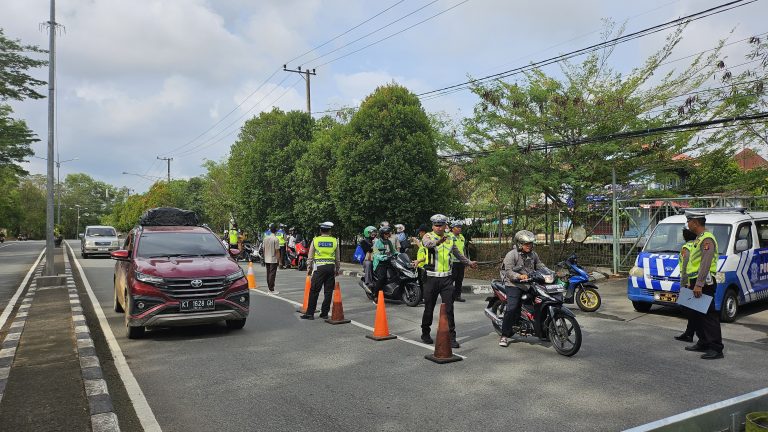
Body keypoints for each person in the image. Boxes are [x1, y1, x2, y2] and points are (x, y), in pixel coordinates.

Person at [420, 214, 477, 348]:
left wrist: (469, 263)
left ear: (446, 226)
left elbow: (458, 254)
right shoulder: (428, 236)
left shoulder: (450, 238)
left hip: (446, 279)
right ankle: (425, 333)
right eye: (436, 225)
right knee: (429, 308)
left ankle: (452, 337)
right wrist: (439, 242)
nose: (438, 228)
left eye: (441, 225)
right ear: (432, 226)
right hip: (431, 278)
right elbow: (427, 245)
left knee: (449, 309)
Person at [683, 211, 724, 360]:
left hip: (704, 282)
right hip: (696, 281)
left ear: (695, 222)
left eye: (688, 221)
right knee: (697, 313)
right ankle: (704, 342)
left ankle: (716, 348)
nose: (687, 224)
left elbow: (706, 263)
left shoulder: (707, 239)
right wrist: (692, 283)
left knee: (708, 314)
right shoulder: (698, 239)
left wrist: (699, 284)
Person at [499, 230, 551, 347]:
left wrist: (550, 272)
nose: (529, 246)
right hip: (514, 284)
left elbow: (540, 265)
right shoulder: (511, 255)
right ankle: (504, 335)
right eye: (527, 244)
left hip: (530, 283)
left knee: (542, 302)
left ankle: (542, 330)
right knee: (512, 308)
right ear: (519, 244)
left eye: (531, 243)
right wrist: (519, 276)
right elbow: (509, 272)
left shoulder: (533, 254)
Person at [301, 222, 340, 320]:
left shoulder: (316, 240)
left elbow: (310, 257)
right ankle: (324, 313)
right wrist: (337, 269)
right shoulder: (334, 241)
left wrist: (309, 269)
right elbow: (337, 258)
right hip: (330, 267)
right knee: (328, 291)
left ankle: (310, 314)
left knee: (314, 291)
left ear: (320, 230)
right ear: (330, 231)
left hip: (319, 268)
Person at [674, 227, 699, 342]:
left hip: (689, 282)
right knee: (694, 309)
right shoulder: (697, 245)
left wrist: (683, 285)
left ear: (685, 236)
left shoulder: (686, 248)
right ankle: (689, 333)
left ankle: (698, 335)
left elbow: (684, 268)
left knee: (687, 308)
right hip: (696, 280)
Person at [371, 226, 398, 302]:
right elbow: (376, 255)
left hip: (388, 262)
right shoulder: (377, 243)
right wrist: (385, 257)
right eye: (386, 233)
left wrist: (399, 254)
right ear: (382, 234)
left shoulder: (389, 242)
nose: (387, 235)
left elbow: (393, 251)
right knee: (382, 278)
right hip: (379, 263)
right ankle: (375, 295)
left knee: (396, 273)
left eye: (388, 233)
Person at [447, 221, 468, 302]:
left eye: (460, 227)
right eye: (457, 227)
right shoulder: (449, 237)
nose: (459, 229)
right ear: (452, 228)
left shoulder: (462, 237)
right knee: (451, 279)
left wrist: (466, 260)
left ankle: (457, 296)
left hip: (461, 262)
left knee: (459, 280)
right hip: (452, 262)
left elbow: (463, 250)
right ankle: (450, 296)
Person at [262, 223, 281, 294]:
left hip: (267, 258)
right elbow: (277, 251)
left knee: (268, 273)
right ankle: (271, 289)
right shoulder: (275, 239)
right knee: (272, 274)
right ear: (276, 230)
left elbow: (263, 249)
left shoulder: (265, 238)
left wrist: (264, 257)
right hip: (273, 259)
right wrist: (279, 260)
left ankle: (269, 288)